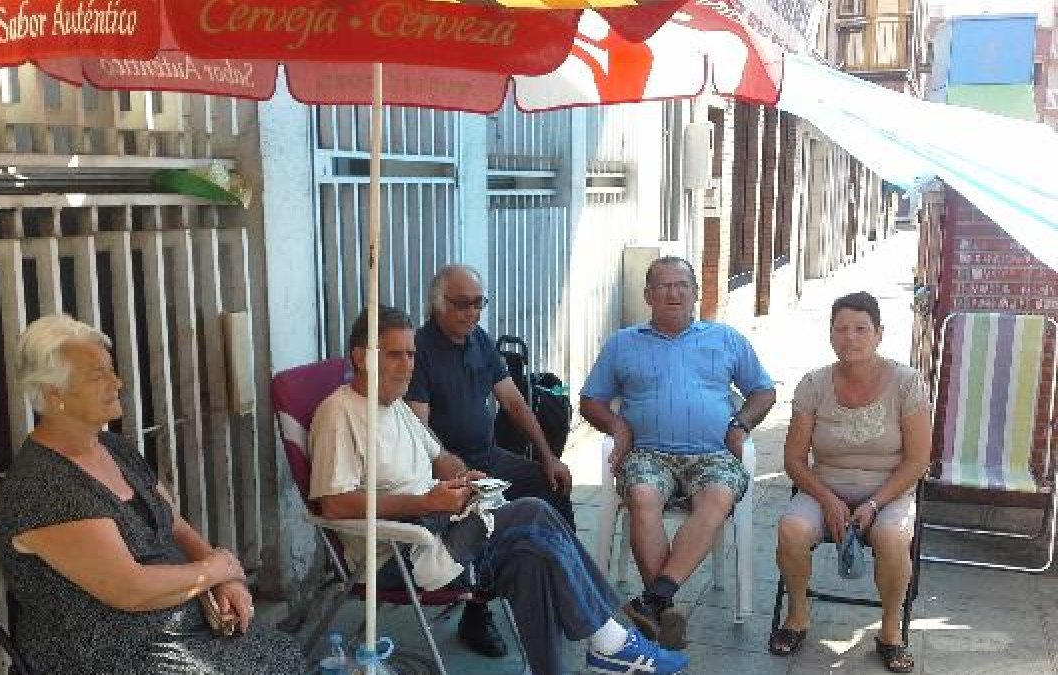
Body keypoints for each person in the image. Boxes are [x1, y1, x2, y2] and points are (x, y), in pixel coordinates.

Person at [308, 305, 690, 675]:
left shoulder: (395, 406)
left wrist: (465, 475)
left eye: (411, 354)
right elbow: (335, 505)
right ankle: (611, 639)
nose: (407, 365)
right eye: (394, 355)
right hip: (398, 557)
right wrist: (426, 500)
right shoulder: (339, 415)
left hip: (441, 531)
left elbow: (439, 456)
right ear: (360, 357)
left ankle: (592, 649)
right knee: (533, 512)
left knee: (534, 557)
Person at [0, 315, 306, 675]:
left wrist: (224, 578)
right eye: (98, 376)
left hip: (172, 628)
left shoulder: (112, 447)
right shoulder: (43, 487)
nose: (118, 383)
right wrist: (215, 568)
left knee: (280, 653)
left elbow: (174, 523)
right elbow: (131, 589)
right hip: (105, 652)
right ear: (54, 394)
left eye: (111, 371)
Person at [580, 256, 776, 650]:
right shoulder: (623, 343)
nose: (673, 292)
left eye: (681, 284)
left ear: (695, 292)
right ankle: (664, 609)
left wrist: (741, 425)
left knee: (719, 496)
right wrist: (617, 426)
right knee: (641, 495)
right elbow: (590, 400)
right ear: (648, 295)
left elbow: (763, 390)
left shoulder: (726, 339)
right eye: (663, 285)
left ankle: (653, 600)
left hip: (712, 454)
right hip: (649, 454)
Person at [405, 264, 575, 656]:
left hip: (491, 456)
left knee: (553, 485)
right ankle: (476, 613)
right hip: (449, 472)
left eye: (478, 303)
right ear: (437, 304)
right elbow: (419, 429)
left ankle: (564, 584)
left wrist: (549, 457)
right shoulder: (420, 350)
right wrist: (454, 468)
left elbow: (514, 402)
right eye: (462, 304)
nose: (472, 313)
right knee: (487, 517)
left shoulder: (479, 339)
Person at [768, 292, 929, 673]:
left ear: (879, 334)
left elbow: (919, 460)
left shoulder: (906, 384)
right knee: (791, 529)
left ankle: (891, 633)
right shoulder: (814, 384)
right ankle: (797, 618)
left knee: (892, 538)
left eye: (861, 329)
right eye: (841, 329)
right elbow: (793, 459)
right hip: (826, 486)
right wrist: (825, 499)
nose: (850, 337)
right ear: (830, 336)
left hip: (888, 490)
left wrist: (874, 504)